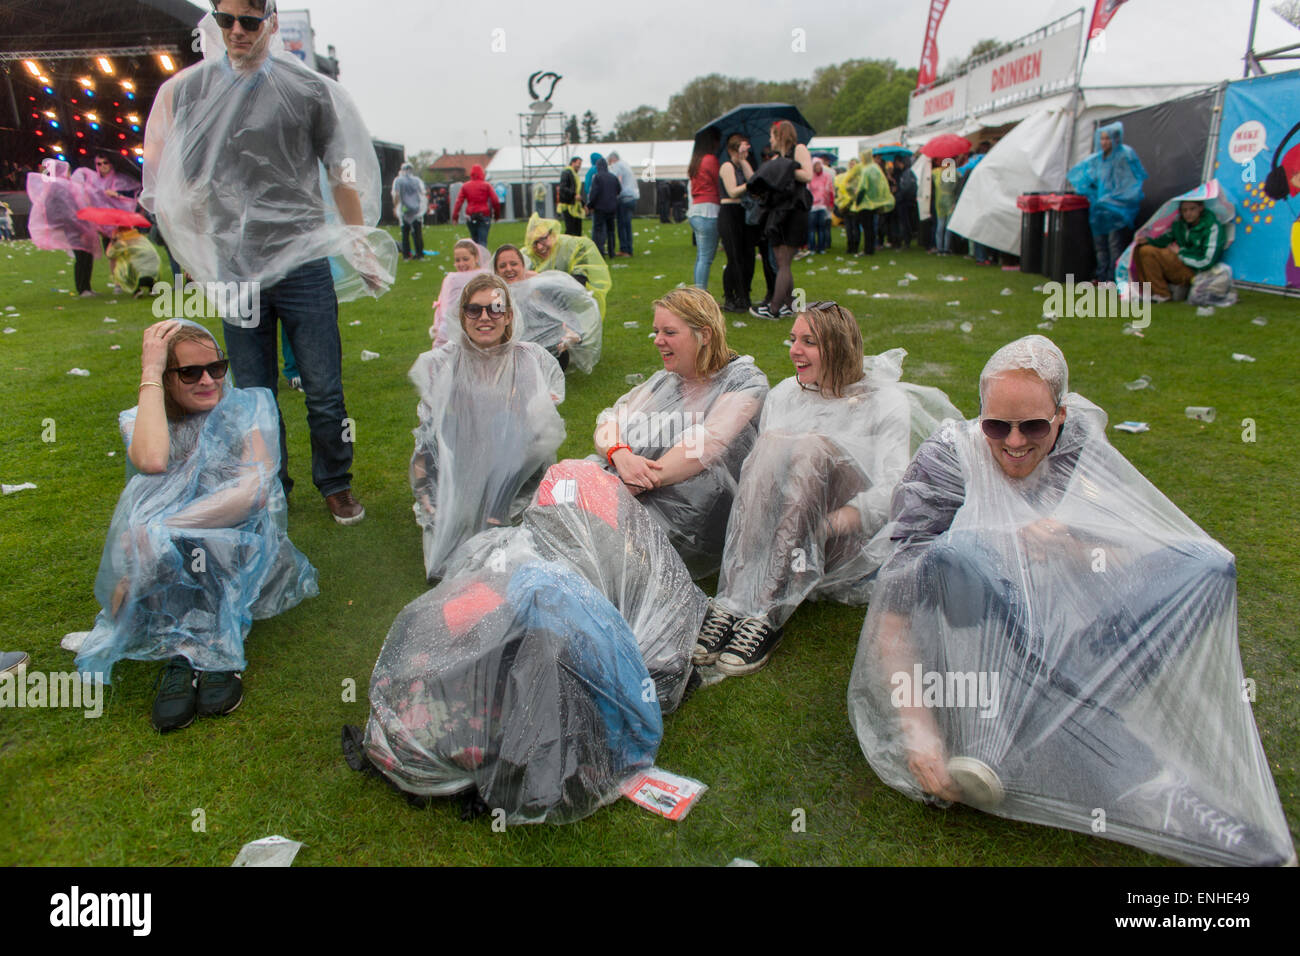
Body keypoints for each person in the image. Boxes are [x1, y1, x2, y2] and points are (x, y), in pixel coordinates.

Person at [846, 334, 1297, 867]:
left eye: (1033, 426)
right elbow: (895, 612)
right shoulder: (948, 461)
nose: (1013, 442)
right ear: (980, 414)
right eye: (997, 425)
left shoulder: (1077, 447)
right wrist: (918, 729)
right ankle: (1154, 785)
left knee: (1206, 564)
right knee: (963, 548)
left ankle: (1055, 710)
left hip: (1066, 628)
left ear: (1060, 416)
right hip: (968, 648)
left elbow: (1129, 551)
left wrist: (1074, 545)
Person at [142, 0, 397, 526]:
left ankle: (336, 483)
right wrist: (193, 255)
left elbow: (340, 172)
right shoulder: (190, 91)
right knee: (254, 393)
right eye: (226, 20)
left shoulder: (307, 90)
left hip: (302, 263)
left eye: (250, 21)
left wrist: (357, 242)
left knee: (323, 387)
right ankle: (270, 485)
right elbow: (181, 184)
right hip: (236, 268)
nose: (237, 32)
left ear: (272, 22)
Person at [72, 319, 318, 732]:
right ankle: (184, 651)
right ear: (166, 379)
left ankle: (216, 648)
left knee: (160, 532)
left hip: (236, 546)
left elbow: (252, 493)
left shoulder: (246, 409)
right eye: (189, 372)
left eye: (217, 368)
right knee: (148, 522)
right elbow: (152, 460)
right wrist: (149, 372)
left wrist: (164, 528)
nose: (208, 380)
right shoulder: (140, 418)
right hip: (168, 562)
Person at [697, 304, 961, 676]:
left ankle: (767, 610)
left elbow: (894, 487)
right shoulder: (787, 392)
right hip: (778, 532)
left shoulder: (884, 401)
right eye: (793, 339)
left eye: (809, 342)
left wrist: (829, 525)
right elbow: (764, 476)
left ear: (838, 347)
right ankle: (733, 600)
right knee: (771, 441)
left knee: (810, 447)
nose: (794, 350)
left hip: (838, 537)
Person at [593, 287, 768, 576]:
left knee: (600, 546)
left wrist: (637, 480)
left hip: (693, 508)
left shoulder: (744, 381)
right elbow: (609, 422)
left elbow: (706, 445)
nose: (658, 341)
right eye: (656, 331)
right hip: (635, 484)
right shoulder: (667, 380)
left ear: (705, 335)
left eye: (669, 332)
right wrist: (619, 454)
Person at [408, 273, 566, 582]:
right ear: (462, 316)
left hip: (512, 476)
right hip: (462, 469)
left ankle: (496, 517)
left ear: (508, 316)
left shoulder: (529, 359)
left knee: (512, 421)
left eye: (495, 309)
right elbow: (427, 442)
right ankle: (463, 520)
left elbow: (540, 436)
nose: (484, 317)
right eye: (474, 309)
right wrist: (431, 502)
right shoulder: (443, 363)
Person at [495, 244, 602, 373]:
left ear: (523, 267)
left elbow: (567, 319)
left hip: (550, 353)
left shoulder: (540, 288)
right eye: (502, 266)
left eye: (514, 264)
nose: (509, 269)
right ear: (496, 271)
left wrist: (570, 335)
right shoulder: (494, 295)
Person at [746, 121, 812, 318]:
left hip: (794, 212)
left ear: (781, 135)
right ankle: (789, 305)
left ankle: (774, 308)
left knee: (783, 262)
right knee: (781, 260)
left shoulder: (798, 150)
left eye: (772, 136)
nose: (770, 140)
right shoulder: (779, 158)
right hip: (780, 213)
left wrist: (784, 167)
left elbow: (807, 175)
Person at [1068, 121, 1147, 284]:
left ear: (1116, 139)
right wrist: (1090, 190)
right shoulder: (1097, 160)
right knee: (1100, 246)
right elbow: (1083, 177)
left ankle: (1113, 278)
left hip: (1115, 211)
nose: (1104, 142)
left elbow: (1131, 183)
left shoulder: (1125, 155)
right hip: (1099, 210)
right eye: (1102, 139)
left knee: (1114, 245)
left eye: (1108, 139)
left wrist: (1112, 199)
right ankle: (1101, 276)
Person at [25, 159, 101, 295]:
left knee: (85, 255)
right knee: (83, 255)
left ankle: (86, 287)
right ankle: (83, 288)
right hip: (74, 225)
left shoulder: (57, 185)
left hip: (74, 224)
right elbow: (67, 208)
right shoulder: (60, 185)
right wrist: (78, 224)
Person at [522, 212, 612, 318]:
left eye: (543, 239)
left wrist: (538, 279)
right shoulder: (526, 256)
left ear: (552, 234)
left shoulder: (575, 247)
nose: (540, 247)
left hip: (573, 310)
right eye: (534, 243)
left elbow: (579, 282)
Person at [1134, 200, 1226, 303]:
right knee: (1140, 249)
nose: (1188, 213)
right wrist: (1147, 240)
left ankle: (1162, 294)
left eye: (1192, 209)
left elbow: (1207, 261)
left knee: (1149, 252)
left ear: (1201, 208)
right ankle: (1150, 293)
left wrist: (1181, 253)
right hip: (1181, 264)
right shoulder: (1179, 224)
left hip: (1198, 273)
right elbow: (1165, 240)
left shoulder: (1212, 227)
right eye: (1184, 210)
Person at [718, 134, 758, 313]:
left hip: (743, 213)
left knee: (748, 256)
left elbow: (753, 180)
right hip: (729, 213)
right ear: (733, 149)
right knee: (734, 258)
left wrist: (743, 161)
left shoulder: (741, 165)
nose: (746, 151)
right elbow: (733, 191)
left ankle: (744, 294)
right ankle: (730, 296)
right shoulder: (727, 166)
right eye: (742, 148)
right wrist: (748, 186)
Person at [429, 238, 491, 348]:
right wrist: (439, 325)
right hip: (454, 323)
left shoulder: (485, 275)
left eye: (465, 259)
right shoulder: (452, 278)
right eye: (457, 260)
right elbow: (445, 305)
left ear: (476, 258)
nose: (461, 264)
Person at [687, 131, 722, 292]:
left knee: (701, 257)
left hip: (695, 210)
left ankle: (698, 293)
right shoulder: (710, 160)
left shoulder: (696, 161)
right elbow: (718, 181)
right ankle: (701, 296)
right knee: (706, 258)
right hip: (709, 210)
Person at [843, 151, 894, 257]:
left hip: (865, 203)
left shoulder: (866, 170)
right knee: (871, 227)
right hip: (874, 203)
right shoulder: (876, 168)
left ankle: (867, 249)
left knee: (867, 228)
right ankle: (871, 248)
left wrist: (857, 201)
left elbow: (862, 188)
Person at [452, 163, 502, 248]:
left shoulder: (465, 186)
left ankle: (475, 259)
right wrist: (496, 215)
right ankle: (482, 259)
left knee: (474, 241)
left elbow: (458, 202)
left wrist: (455, 217)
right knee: (482, 241)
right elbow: (495, 201)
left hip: (471, 215)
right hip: (484, 215)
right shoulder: (486, 185)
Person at [105, 225, 162, 298]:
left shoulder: (121, 240)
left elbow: (110, 254)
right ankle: (152, 288)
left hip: (138, 268)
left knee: (125, 267)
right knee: (144, 269)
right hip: (154, 264)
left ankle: (137, 290)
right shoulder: (139, 236)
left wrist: (112, 243)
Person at [585, 157, 620, 260]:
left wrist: (590, 205)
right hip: (612, 207)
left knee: (598, 230)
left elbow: (594, 193)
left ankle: (599, 252)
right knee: (611, 230)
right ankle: (611, 252)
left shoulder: (597, 177)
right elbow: (619, 190)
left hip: (600, 208)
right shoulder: (613, 177)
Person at [605, 150, 639, 257]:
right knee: (627, 225)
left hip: (624, 197)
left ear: (612, 160)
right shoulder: (626, 165)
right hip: (633, 197)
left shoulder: (617, 166)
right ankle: (629, 248)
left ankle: (624, 249)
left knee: (622, 225)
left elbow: (616, 181)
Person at [392, 162, 428, 261]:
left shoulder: (398, 180)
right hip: (416, 209)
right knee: (417, 234)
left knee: (405, 234)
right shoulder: (417, 180)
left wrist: (396, 207)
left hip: (405, 209)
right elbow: (423, 194)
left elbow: (396, 194)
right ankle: (419, 254)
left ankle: (406, 255)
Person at [930, 155, 958, 255]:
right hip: (950, 202)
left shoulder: (936, 172)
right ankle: (946, 248)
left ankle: (939, 248)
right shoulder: (955, 174)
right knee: (947, 226)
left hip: (939, 202)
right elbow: (957, 189)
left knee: (940, 226)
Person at [806, 158, 835, 255]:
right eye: (815, 165)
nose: (817, 167)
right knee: (812, 228)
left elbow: (831, 190)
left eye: (819, 165)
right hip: (812, 206)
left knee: (821, 228)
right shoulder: (810, 177)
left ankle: (821, 247)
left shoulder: (827, 176)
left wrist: (830, 203)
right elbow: (807, 191)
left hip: (822, 205)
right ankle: (812, 248)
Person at [835, 157, 859, 254]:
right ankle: (850, 246)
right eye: (851, 163)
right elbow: (841, 190)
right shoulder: (845, 177)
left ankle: (855, 246)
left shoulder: (859, 177)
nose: (852, 165)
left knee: (855, 226)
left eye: (854, 164)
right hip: (846, 205)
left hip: (855, 206)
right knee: (848, 227)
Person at [557, 156, 584, 236]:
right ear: (573, 163)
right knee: (570, 229)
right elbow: (563, 188)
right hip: (568, 205)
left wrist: (583, 204)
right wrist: (573, 195)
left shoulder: (575, 174)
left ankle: (576, 247)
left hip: (575, 206)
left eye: (580, 164)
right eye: (578, 163)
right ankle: (567, 246)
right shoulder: (567, 173)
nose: (579, 166)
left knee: (577, 230)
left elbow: (577, 192)